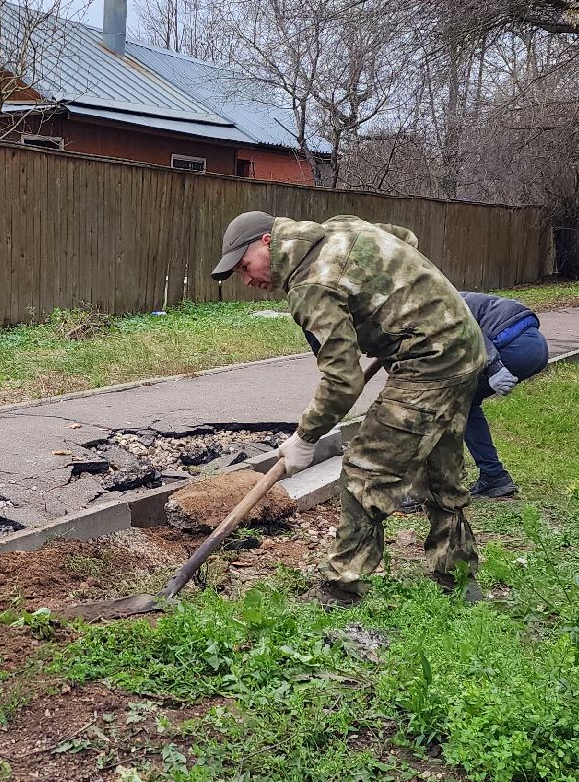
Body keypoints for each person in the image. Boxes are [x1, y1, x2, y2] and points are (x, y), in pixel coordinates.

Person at [212, 210, 488, 605]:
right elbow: (405, 238)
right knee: (438, 468)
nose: (248, 279)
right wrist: (391, 314)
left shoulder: (310, 283)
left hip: (428, 361)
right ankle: (460, 580)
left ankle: (341, 587)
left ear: (267, 242)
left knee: (366, 470)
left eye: (244, 265)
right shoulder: (342, 229)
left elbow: (343, 380)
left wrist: (306, 435)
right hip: (463, 343)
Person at [455, 291, 549, 499]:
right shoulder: (436, 296)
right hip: (535, 345)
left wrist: (493, 365)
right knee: (465, 403)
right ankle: (493, 477)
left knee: (455, 402)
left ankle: (437, 483)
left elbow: (468, 327)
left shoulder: (436, 305)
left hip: (512, 345)